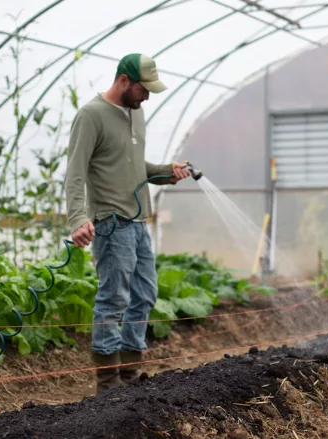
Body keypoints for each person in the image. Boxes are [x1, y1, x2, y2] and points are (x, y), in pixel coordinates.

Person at [64, 53, 191, 394]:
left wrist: (168, 172)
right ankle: (108, 383)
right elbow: (75, 173)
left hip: (138, 223)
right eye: (143, 89)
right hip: (111, 224)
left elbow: (134, 167)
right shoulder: (91, 116)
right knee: (113, 299)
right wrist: (78, 218)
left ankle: (130, 377)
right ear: (124, 80)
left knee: (145, 294)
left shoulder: (137, 114)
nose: (147, 95)